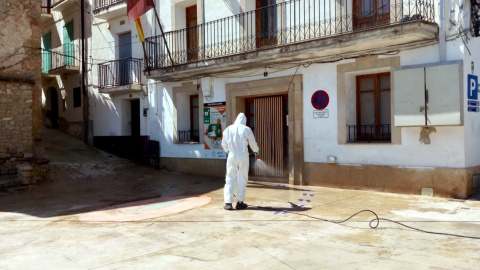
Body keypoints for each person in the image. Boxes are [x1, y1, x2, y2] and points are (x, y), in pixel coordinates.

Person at [221, 113, 259, 210]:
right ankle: (240, 202)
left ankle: (228, 202)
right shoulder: (246, 129)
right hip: (243, 156)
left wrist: (228, 151)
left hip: (231, 155)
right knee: (242, 178)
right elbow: (252, 143)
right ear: (244, 121)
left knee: (229, 178)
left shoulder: (228, 129)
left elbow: (224, 144)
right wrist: (256, 151)